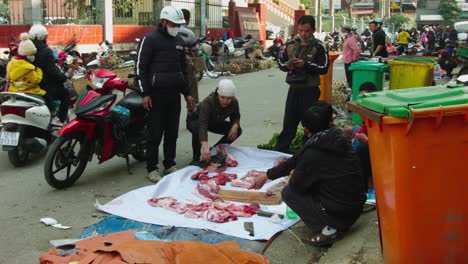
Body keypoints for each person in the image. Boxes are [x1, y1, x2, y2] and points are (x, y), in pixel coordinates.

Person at [252, 101, 366, 246]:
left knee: (289, 192)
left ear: (306, 130)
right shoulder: (335, 136)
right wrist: (268, 175)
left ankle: (329, 229)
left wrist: (296, 174)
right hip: (355, 206)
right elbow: (299, 157)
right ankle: (333, 222)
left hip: (342, 213)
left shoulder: (314, 152)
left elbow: (298, 186)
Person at [136, 5, 195, 182]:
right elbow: (141, 67)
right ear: (164, 22)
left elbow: (183, 70)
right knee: (155, 134)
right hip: (155, 96)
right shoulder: (150, 39)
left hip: (174, 94)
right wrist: (145, 93)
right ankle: (151, 167)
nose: (176, 27)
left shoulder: (179, 41)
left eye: (178, 24)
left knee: (172, 133)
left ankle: (169, 164)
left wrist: (187, 93)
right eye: (173, 24)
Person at [274, 15, 329, 153]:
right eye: (301, 30)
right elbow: (280, 62)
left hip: (310, 91)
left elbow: (324, 68)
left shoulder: (319, 46)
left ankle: (309, 153)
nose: (303, 34)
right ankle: (278, 155)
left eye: (307, 31)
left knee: (310, 125)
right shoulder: (291, 44)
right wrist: (288, 66)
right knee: (289, 125)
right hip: (294, 90)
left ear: (313, 30)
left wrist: (306, 65)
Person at [186, 79, 241, 164]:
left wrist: (235, 125)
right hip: (195, 120)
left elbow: (236, 116)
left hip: (213, 121)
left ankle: (216, 150)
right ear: (217, 94)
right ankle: (196, 158)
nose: (225, 101)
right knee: (198, 129)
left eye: (229, 98)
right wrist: (204, 146)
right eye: (222, 97)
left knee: (237, 130)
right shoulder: (208, 102)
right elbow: (203, 124)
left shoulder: (234, 102)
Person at [29, 24, 70, 125]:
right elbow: (52, 71)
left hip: (29, 85)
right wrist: (64, 77)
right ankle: (60, 121)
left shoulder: (26, 50)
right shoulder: (46, 52)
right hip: (45, 87)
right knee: (66, 94)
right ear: (44, 37)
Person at [6, 33, 45, 97]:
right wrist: (39, 70)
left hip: (13, 91)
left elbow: (8, 77)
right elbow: (36, 80)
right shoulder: (28, 68)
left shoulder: (11, 63)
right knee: (48, 99)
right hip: (28, 91)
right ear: (29, 56)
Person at [176, 8, 199, 103]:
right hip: (186, 64)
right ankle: (193, 112)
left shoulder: (170, 31)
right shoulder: (190, 33)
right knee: (192, 90)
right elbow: (195, 52)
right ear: (187, 19)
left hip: (172, 65)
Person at [341, 24, 360, 89]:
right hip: (346, 61)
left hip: (350, 62)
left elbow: (356, 50)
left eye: (342, 29)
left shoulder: (351, 39)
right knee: (349, 79)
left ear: (346, 30)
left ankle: (352, 92)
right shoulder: (347, 38)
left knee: (350, 79)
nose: (341, 31)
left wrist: (354, 59)